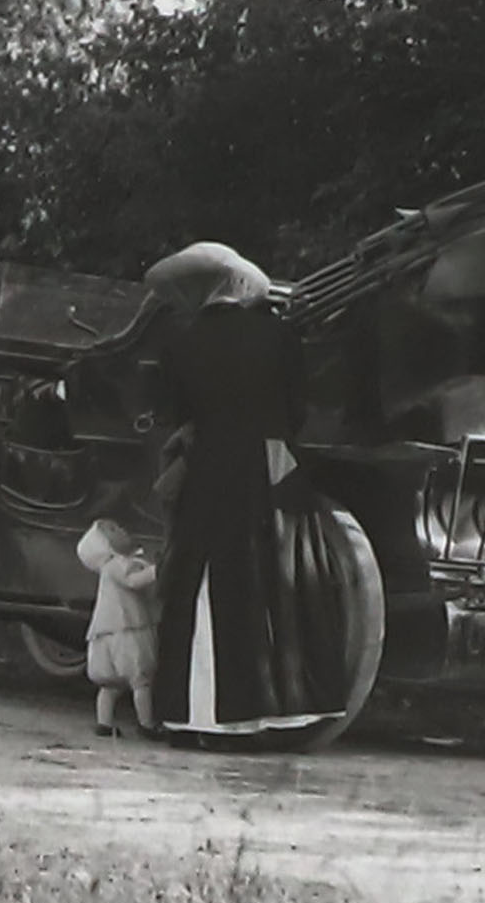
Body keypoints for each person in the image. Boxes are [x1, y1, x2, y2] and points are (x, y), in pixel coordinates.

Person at [141, 241, 382, 742]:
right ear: (249, 288)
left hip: (210, 466)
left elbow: (177, 413)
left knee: (203, 583)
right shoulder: (280, 336)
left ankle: (196, 715)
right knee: (284, 578)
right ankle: (280, 709)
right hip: (273, 465)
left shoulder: (180, 339)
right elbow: (295, 411)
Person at [75, 517, 160, 737]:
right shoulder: (115, 565)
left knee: (111, 684)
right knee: (140, 678)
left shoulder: (117, 564)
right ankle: (146, 724)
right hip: (124, 627)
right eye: (112, 530)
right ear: (104, 545)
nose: (121, 529)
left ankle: (104, 723)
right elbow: (133, 581)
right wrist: (156, 571)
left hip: (107, 629)